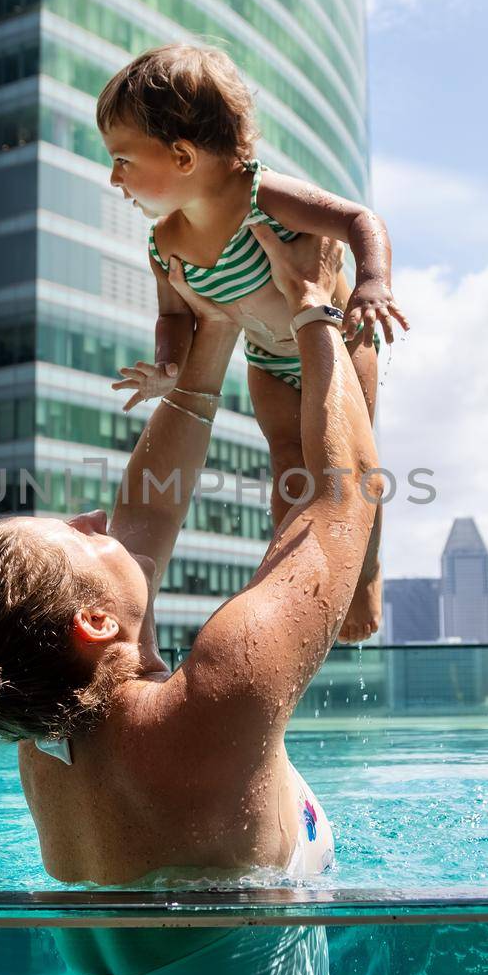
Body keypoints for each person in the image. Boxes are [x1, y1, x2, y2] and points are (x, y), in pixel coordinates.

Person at [0, 226, 381, 975]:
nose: (101, 517)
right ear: (94, 622)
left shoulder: (44, 737)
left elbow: (147, 512)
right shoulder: (213, 700)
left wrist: (215, 331)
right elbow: (345, 497)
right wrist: (314, 309)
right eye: (82, 535)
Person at [99, 43, 406, 643]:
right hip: (267, 357)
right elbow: (175, 316)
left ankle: (364, 570)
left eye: (122, 160)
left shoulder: (263, 196)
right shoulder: (167, 244)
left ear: (183, 155)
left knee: (346, 470)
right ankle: (289, 575)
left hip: (341, 340)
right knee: (287, 464)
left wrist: (371, 283)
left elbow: (359, 220)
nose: (115, 178)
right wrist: (168, 366)